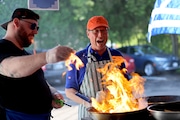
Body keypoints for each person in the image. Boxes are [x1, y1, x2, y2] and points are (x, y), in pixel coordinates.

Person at [0, 8, 75, 120]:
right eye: (33, 26)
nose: (36, 31)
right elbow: (10, 69)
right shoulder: (2, 47)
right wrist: (47, 56)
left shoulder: (25, 54)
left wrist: (53, 92)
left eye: (37, 27)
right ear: (16, 22)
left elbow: (38, 79)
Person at [65, 16, 128, 120]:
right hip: (88, 115)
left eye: (103, 31)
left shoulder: (116, 56)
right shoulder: (78, 59)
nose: (100, 35)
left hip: (115, 113)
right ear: (88, 34)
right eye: (96, 31)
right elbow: (69, 91)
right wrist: (88, 102)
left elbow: (125, 85)